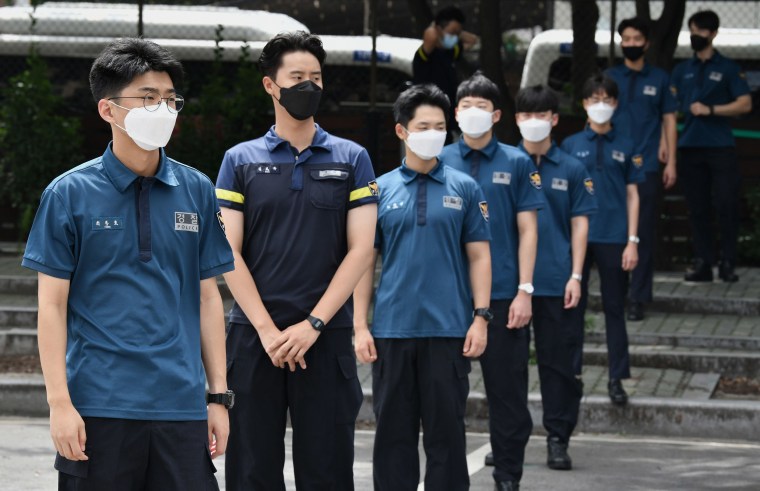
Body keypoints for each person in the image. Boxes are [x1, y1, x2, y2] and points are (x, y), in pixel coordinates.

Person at [21, 38, 234, 490]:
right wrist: (59, 403)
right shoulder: (68, 194)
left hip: (181, 405)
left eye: (169, 99)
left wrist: (217, 397)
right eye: (147, 98)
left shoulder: (196, 189)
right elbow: (52, 306)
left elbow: (207, 296)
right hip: (99, 406)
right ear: (108, 110)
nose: (163, 108)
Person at [216, 31, 379, 490]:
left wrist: (314, 325)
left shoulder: (353, 158)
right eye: (297, 77)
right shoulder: (239, 160)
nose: (309, 85)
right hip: (254, 339)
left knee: (326, 470)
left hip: (324, 340)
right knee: (250, 469)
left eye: (316, 77)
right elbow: (226, 251)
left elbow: (362, 249)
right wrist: (268, 332)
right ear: (271, 85)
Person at [353, 83, 491, 491]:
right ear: (401, 131)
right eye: (423, 125)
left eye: (440, 126)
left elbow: (480, 256)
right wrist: (360, 325)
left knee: (447, 434)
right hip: (392, 332)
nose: (433, 133)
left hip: (449, 331)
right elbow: (364, 262)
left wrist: (481, 318)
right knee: (392, 435)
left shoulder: (465, 188)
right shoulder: (378, 190)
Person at [438, 73, 543, 491]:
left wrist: (525, 290)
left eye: (482, 106)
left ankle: (507, 477)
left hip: (503, 297)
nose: (472, 113)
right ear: (455, 112)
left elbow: (529, 230)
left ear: (497, 115)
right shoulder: (439, 158)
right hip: (450, 299)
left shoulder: (517, 162)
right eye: (465, 106)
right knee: (445, 399)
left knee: (508, 397)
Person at [515, 85, 597, 474]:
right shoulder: (506, 162)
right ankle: (507, 438)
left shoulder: (572, 168)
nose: (534, 122)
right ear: (516, 119)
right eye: (527, 115)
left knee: (559, 365)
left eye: (542, 114)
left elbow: (580, 226)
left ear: (554, 119)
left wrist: (577, 276)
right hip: (509, 287)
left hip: (558, 281)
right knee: (508, 368)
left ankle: (558, 439)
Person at [561, 75, 644, 406]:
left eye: (607, 99)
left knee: (614, 309)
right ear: (583, 103)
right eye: (594, 98)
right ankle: (573, 374)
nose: (600, 105)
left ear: (616, 104)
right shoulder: (568, 145)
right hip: (577, 239)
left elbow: (633, 195)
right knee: (573, 309)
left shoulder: (627, 145)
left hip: (613, 236)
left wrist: (633, 240)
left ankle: (616, 378)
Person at [671, 10, 752, 283]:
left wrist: (712, 109)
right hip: (690, 147)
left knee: (727, 204)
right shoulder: (682, 70)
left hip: (720, 147)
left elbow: (745, 103)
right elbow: (671, 109)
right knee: (697, 207)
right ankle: (703, 262)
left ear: (713, 33)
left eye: (701, 31)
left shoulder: (728, 68)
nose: (696, 36)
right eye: (692, 30)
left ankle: (728, 263)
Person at [606, 17, 678, 321]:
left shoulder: (660, 78)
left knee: (643, 233)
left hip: (647, 163)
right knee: (614, 232)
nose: (632, 44)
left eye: (637, 39)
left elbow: (669, 119)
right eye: (627, 38)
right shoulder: (609, 77)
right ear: (621, 41)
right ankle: (616, 293)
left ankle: (638, 297)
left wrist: (671, 160)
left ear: (646, 43)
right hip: (613, 165)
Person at [412, 5, 479, 136]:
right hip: (428, 114)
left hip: (448, 115)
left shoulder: (450, 52)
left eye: (458, 33)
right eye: (452, 32)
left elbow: (472, 40)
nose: (455, 36)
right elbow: (430, 35)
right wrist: (436, 27)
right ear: (438, 29)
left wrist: (456, 32)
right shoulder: (425, 54)